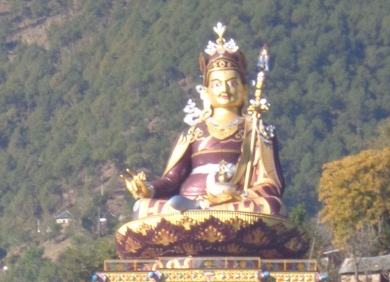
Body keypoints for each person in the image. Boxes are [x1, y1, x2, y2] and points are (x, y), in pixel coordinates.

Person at [122, 24, 285, 218]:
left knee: (270, 207)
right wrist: (148, 189)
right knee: (142, 207)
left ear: (244, 90)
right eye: (216, 84)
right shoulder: (193, 133)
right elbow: (172, 179)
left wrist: (239, 195)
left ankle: (209, 211)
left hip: (234, 204)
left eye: (232, 83)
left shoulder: (257, 130)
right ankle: (197, 209)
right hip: (188, 202)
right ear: (206, 92)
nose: (224, 90)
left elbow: (271, 183)